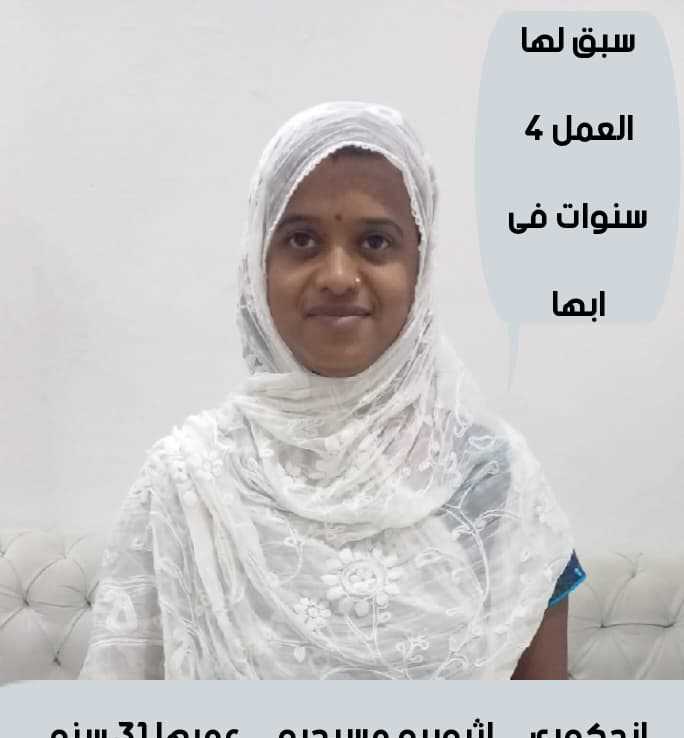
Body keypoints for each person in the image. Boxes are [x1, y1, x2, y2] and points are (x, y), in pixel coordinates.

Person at [81, 101, 585, 681]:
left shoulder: (495, 482)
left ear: (420, 270)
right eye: (301, 240)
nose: (339, 277)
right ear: (258, 267)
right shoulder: (185, 484)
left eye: (375, 242)